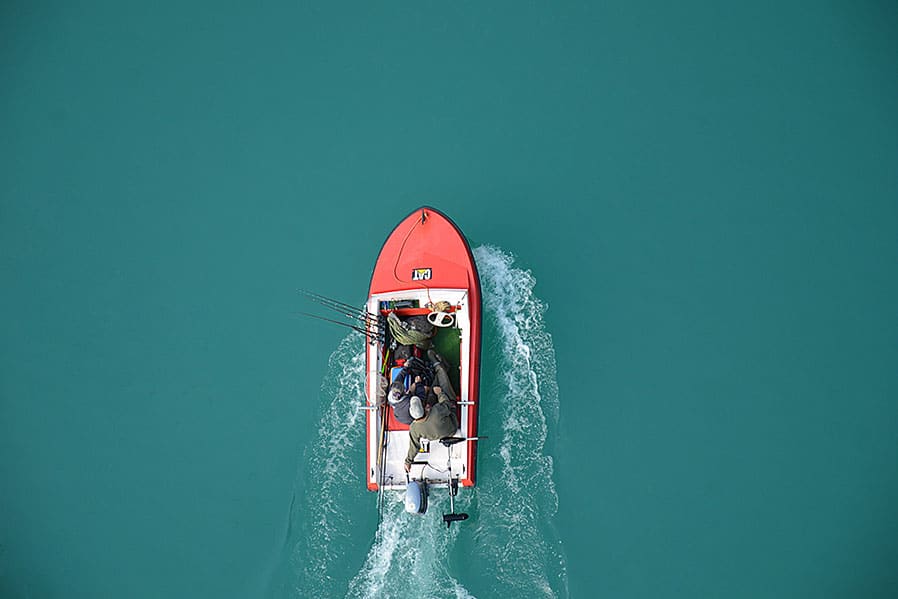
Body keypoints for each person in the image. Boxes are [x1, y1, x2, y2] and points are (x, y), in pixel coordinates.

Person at [403, 349, 459, 471]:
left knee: (434, 384)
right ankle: (440, 366)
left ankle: (440, 368)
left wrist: (408, 461)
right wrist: (440, 394)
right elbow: (448, 405)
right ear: (424, 408)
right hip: (452, 423)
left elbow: (414, 447)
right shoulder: (436, 411)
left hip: (439, 433)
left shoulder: (414, 428)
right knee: (440, 379)